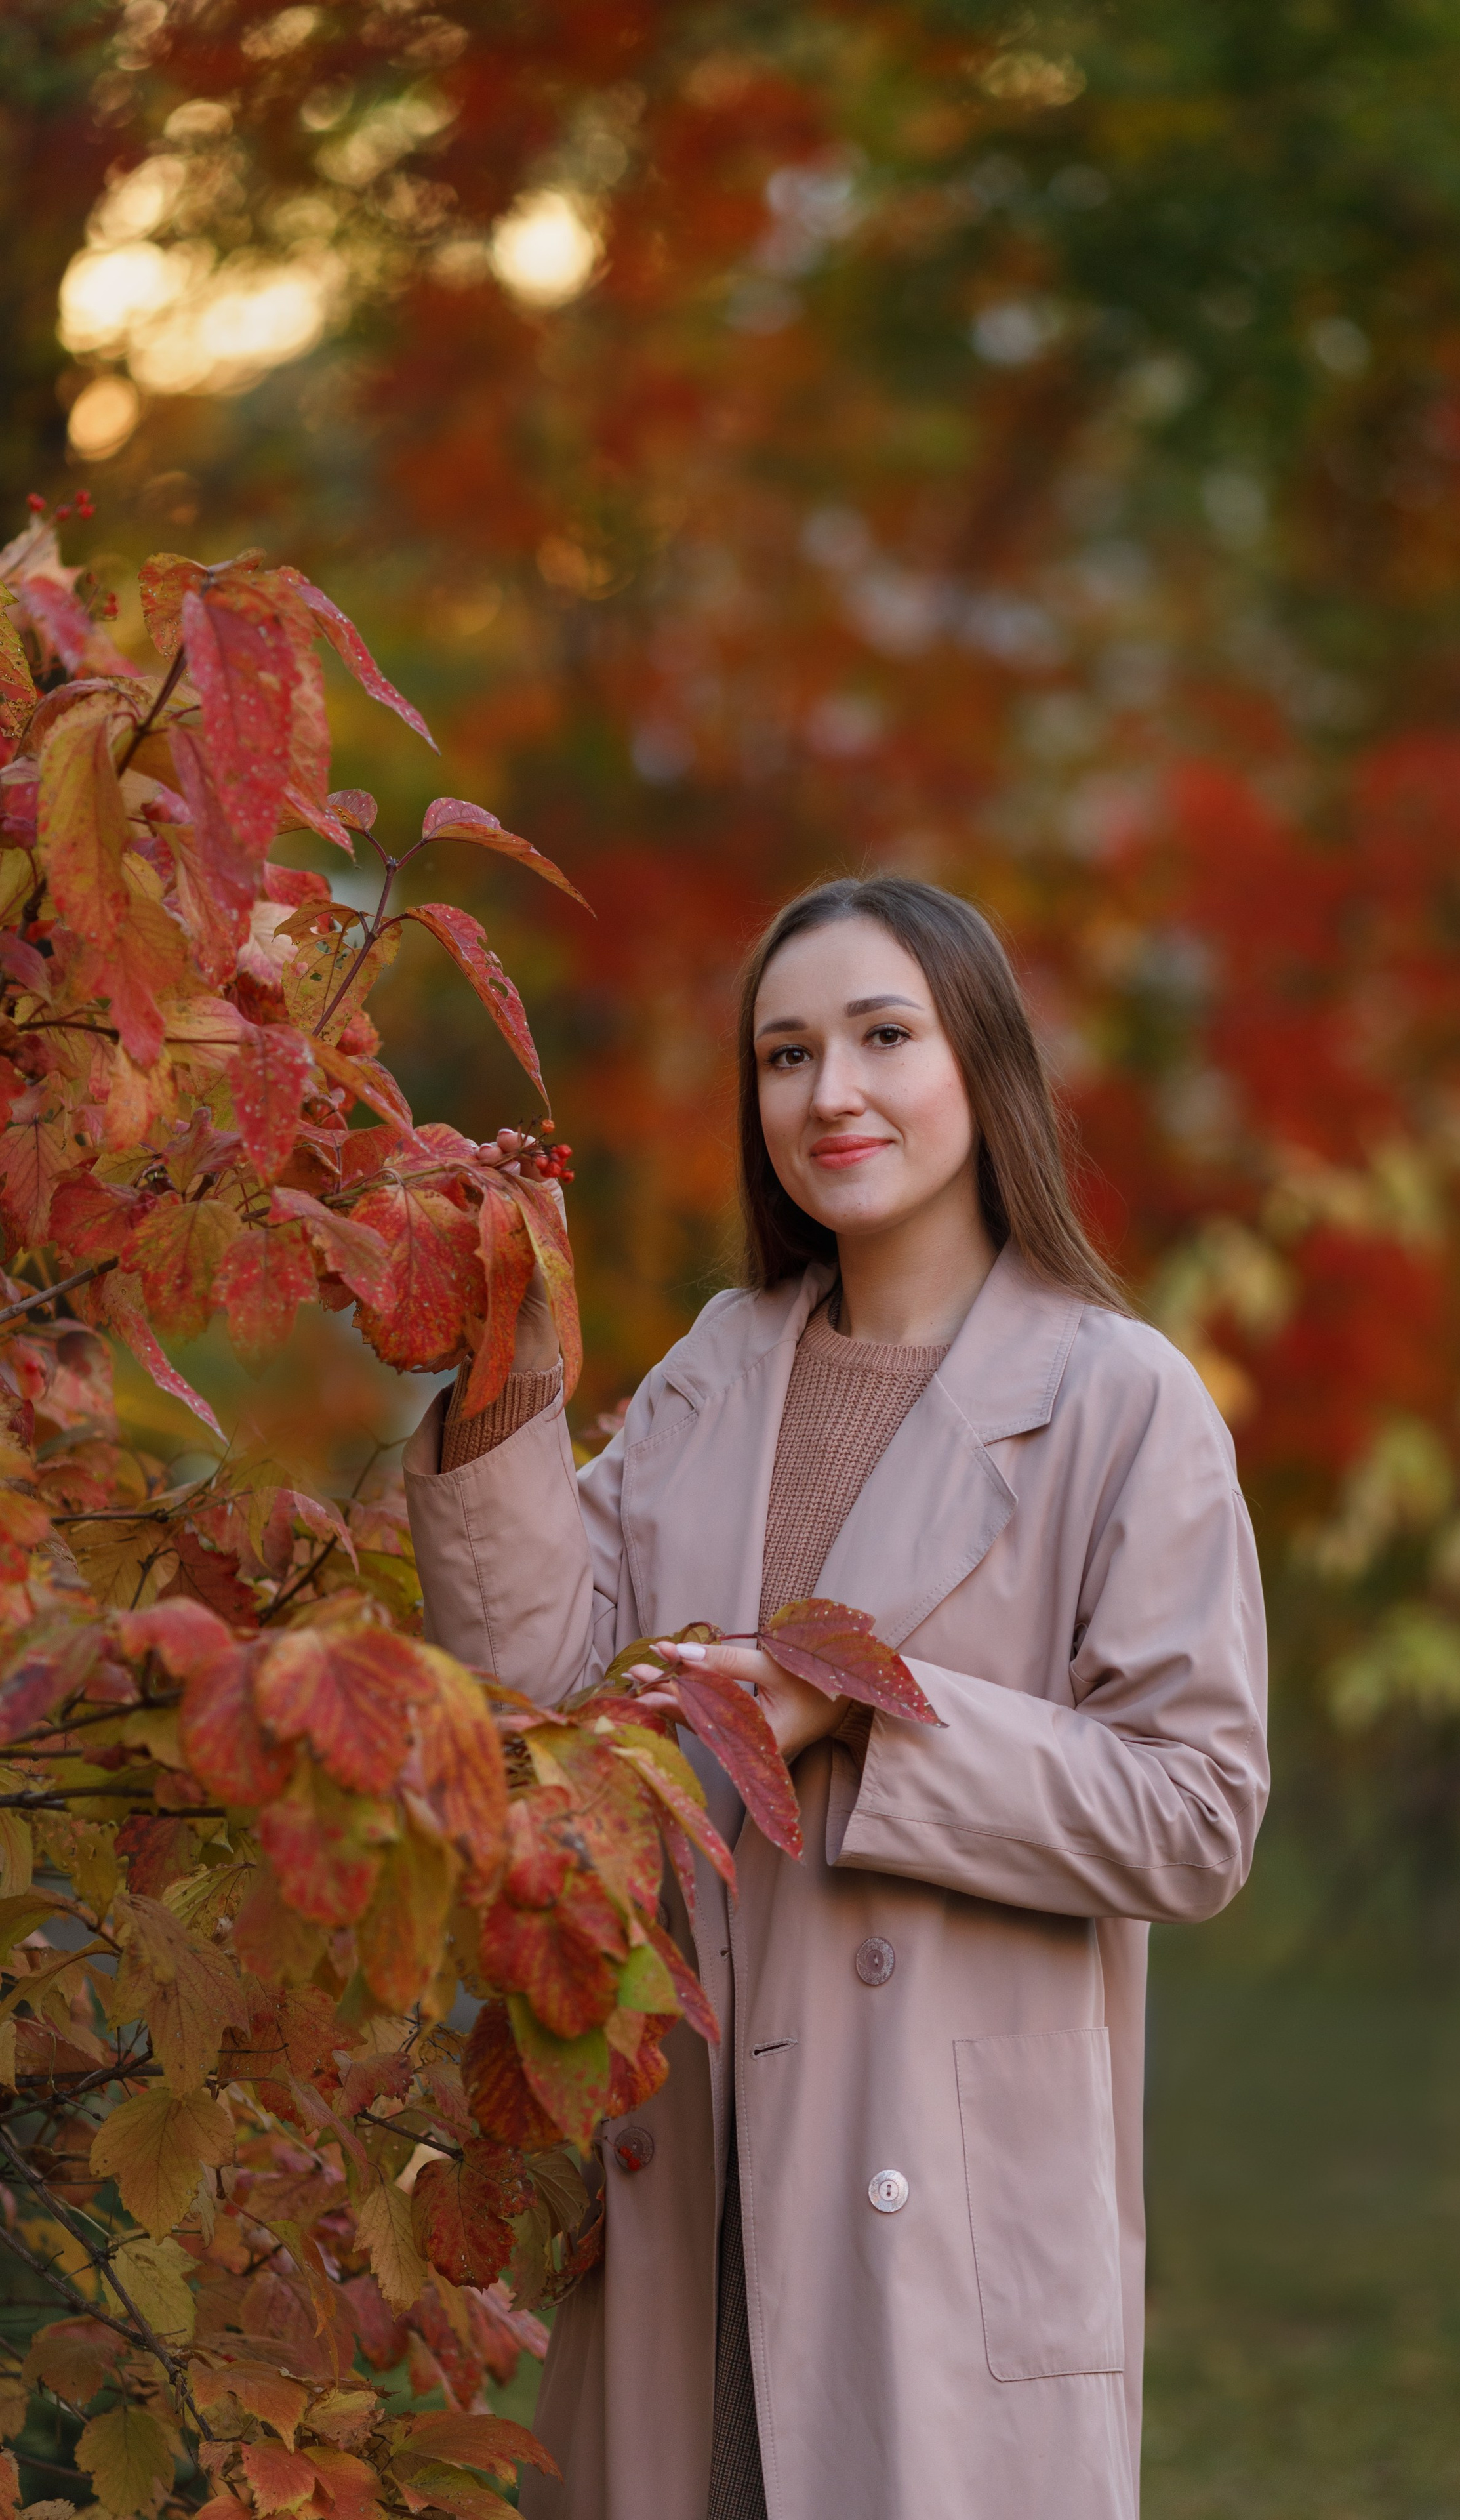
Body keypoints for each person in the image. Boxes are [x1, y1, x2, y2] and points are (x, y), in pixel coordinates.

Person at [404, 875, 1268, 2520]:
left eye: (883, 1035)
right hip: (689, 2198)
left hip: (935, 2221)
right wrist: (510, 1364)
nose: (830, 1092)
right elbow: (534, 1690)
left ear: (980, 1067)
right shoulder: (722, 1360)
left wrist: (865, 1719)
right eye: (785, 1055)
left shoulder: (1118, 1399)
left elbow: (1197, 1816)